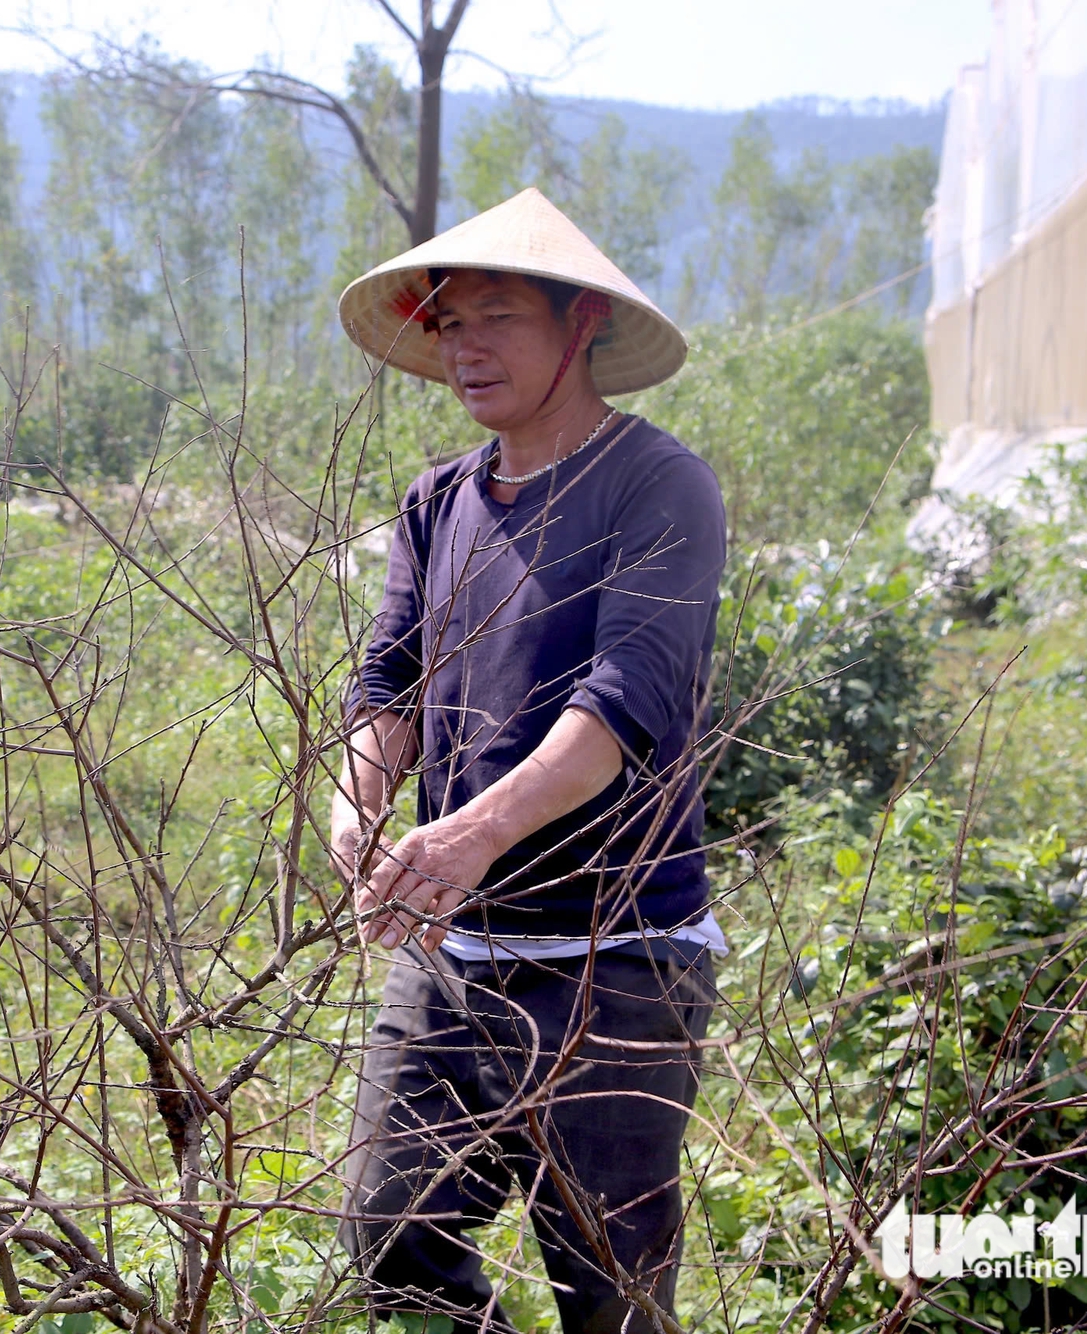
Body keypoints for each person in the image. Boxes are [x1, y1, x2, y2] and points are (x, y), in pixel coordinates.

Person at [330, 187, 726, 1334]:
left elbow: (622, 704)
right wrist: (356, 801)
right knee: (388, 1236)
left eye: (495, 315)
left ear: (582, 323)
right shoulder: (435, 502)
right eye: (448, 322)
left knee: (610, 1286)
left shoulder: (657, 485)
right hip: (455, 952)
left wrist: (461, 835)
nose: (464, 348)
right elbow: (386, 681)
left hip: (619, 958)